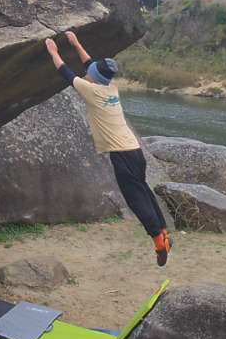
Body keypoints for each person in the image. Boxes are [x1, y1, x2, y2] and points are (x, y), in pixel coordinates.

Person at [45, 31, 172, 266]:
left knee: (135, 199)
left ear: (93, 79)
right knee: (144, 191)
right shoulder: (111, 88)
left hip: (122, 155)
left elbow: (66, 72)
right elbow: (91, 65)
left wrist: (54, 52)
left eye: (90, 74)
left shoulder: (92, 91)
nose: (87, 73)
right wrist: (76, 43)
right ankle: (163, 233)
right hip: (135, 150)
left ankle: (158, 241)